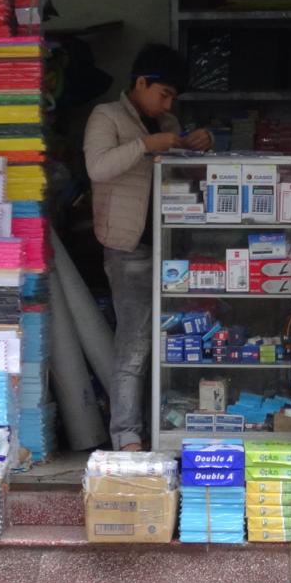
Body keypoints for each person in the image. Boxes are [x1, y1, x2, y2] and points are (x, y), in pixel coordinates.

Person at [83, 44, 211, 450]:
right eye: (164, 94)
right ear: (141, 82)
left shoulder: (168, 122)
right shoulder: (106, 116)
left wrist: (196, 146)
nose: (168, 104)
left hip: (172, 249)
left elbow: (180, 176)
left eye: (173, 98)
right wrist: (145, 145)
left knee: (176, 340)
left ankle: (168, 427)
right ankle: (127, 436)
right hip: (129, 248)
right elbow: (97, 167)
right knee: (134, 345)